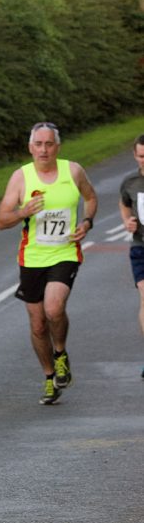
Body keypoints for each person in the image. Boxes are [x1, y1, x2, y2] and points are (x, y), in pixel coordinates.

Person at [0, 121, 97, 405]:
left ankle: (61, 351)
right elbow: (1, 221)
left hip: (65, 252)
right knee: (38, 324)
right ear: (30, 148)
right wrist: (22, 211)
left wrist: (87, 222)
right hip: (32, 257)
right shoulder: (20, 178)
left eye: (48, 144)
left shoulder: (73, 171)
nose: (43, 149)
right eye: (38, 144)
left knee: (54, 307)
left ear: (57, 147)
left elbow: (90, 197)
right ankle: (50, 377)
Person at [118, 132, 144, 378]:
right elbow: (124, 203)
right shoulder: (130, 183)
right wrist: (127, 222)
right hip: (141, 247)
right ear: (135, 156)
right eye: (141, 156)